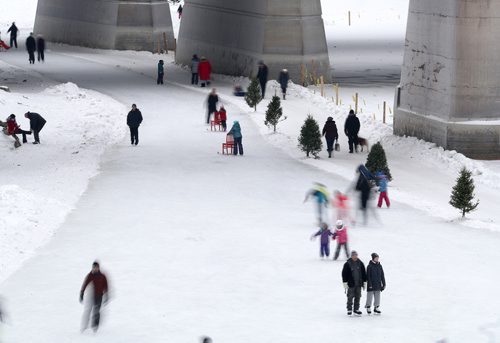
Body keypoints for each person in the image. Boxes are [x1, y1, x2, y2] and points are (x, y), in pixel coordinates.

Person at [80, 261, 109, 332]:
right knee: (89, 310)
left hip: (99, 296)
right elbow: (85, 283)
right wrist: (82, 293)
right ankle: (85, 326)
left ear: (98, 268)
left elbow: (106, 286)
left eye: (96, 268)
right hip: (92, 296)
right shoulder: (91, 275)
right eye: (93, 268)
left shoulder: (102, 276)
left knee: (97, 310)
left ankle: (95, 326)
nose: (95, 269)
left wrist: (106, 295)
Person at [342, 250, 367, 316]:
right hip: (351, 284)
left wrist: (364, 281)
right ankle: (349, 309)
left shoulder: (360, 263)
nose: (355, 256)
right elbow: (344, 274)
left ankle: (356, 309)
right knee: (350, 297)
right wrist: (345, 282)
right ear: (351, 256)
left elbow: (364, 273)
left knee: (358, 296)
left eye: (356, 255)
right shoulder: (347, 264)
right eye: (353, 255)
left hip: (359, 284)